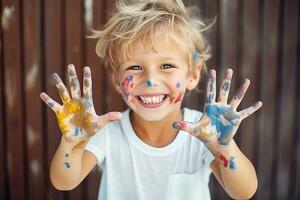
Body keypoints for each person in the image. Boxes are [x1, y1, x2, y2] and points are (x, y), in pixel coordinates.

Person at [40, 0, 262, 199]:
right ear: (117, 80)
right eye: (135, 67)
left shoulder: (204, 131)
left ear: (192, 75)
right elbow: (64, 182)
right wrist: (72, 143)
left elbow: (244, 192)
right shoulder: (108, 132)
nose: (150, 81)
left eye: (166, 66)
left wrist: (224, 148)